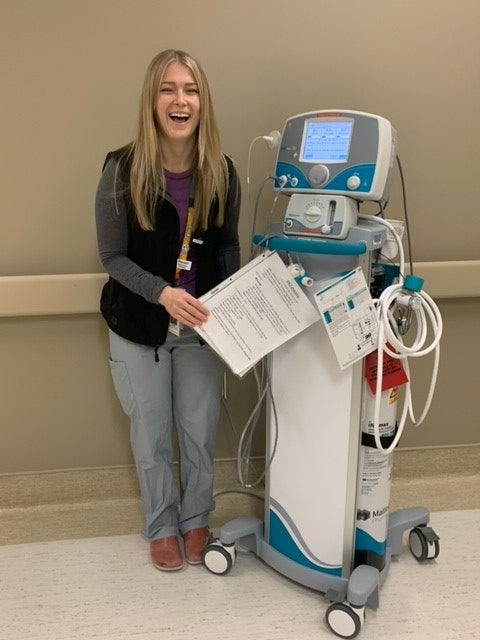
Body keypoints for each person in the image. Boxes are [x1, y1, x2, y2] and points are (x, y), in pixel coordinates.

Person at [95, 49, 241, 571]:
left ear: (203, 102)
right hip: (140, 327)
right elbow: (111, 256)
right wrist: (161, 292)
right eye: (169, 89)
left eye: (191, 90)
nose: (181, 100)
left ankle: (196, 518)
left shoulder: (220, 171)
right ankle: (161, 524)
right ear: (152, 101)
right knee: (152, 434)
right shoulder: (122, 169)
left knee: (198, 430)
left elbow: (226, 250)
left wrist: (233, 309)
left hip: (200, 328)